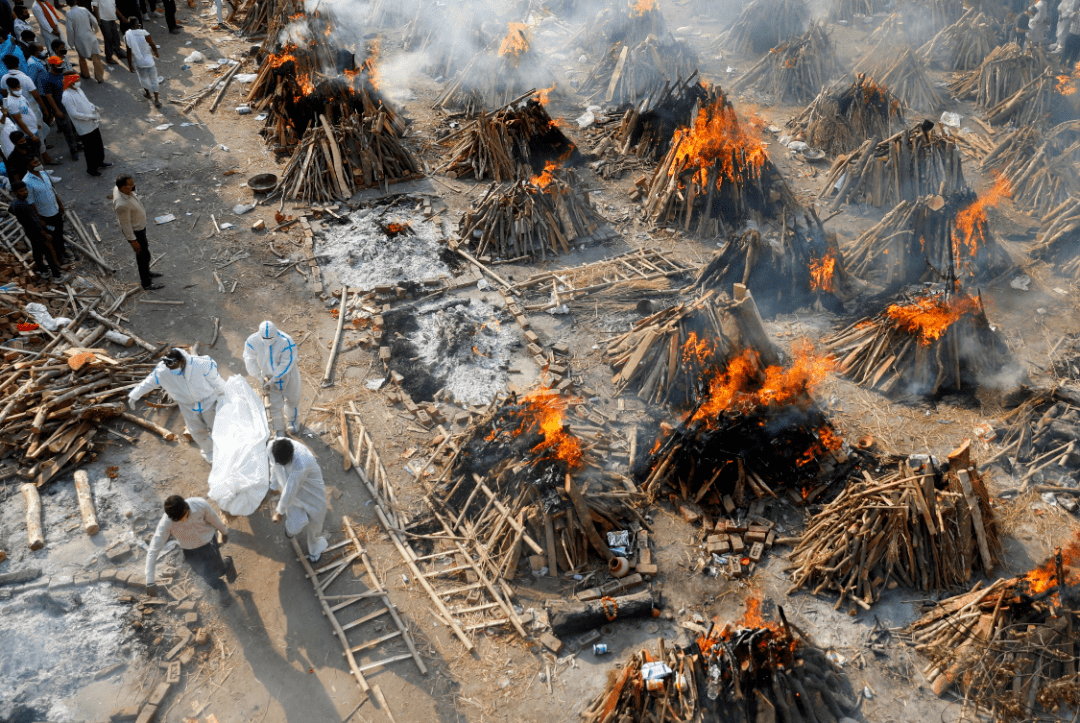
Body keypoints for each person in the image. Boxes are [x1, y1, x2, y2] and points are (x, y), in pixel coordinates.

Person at [129, 348, 226, 462]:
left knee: (218, 426)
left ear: (182, 360)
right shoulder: (162, 371)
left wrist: (224, 392)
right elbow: (148, 383)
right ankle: (209, 451)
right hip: (187, 405)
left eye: (175, 367)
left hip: (208, 401)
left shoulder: (199, 364)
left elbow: (215, 379)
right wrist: (134, 395)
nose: (173, 370)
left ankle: (226, 449)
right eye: (170, 368)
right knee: (196, 430)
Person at [145, 495, 234, 607]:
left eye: (185, 515)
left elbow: (214, 518)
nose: (183, 520)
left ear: (187, 507)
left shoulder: (200, 505)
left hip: (208, 543)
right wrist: (150, 581)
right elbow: (153, 550)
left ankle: (227, 564)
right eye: (178, 519)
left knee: (218, 569)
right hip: (190, 550)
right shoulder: (166, 523)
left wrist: (224, 532)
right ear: (171, 517)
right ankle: (222, 587)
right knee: (204, 574)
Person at [268, 437, 328, 562]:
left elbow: (291, 489)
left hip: (311, 491)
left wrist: (279, 511)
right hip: (290, 493)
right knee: (295, 525)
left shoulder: (301, 462)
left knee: (316, 521)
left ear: (292, 455)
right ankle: (290, 530)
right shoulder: (272, 448)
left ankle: (315, 547)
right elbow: (273, 466)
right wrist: (273, 485)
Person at [243, 321, 301, 434]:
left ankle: (293, 422)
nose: (268, 341)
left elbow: (287, 362)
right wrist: (258, 376)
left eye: (271, 338)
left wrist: (275, 377)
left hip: (288, 374)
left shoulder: (286, 341)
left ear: (276, 333)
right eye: (265, 338)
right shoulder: (252, 341)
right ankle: (279, 429)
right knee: (274, 405)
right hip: (267, 376)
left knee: (293, 399)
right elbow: (249, 359)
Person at [113, 173, 163, 289]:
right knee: (143, 257)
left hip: (140, 228)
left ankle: (147, 272)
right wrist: (133, 241)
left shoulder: (119, 189)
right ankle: (146, 283)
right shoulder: (121, 205)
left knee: (145, 254)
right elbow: (125, 225)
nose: (134, 185)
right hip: (136, 232)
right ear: (124, 188)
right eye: (131, 185)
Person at [10, 179, 64, 281]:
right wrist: (45, 234)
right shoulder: (24, 205)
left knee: (37, 251)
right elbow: (34, 222)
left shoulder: (14, 203)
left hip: (29, 232)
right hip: (37, 233)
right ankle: (57, 276)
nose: (25, 192)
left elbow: (10, 210)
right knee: (48, 253)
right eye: (21, 191)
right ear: (15, 192)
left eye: (25, 190)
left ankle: (43, 271)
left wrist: (21, 219)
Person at [22, 155, 70, 265]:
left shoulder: (43, 173)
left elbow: (52, 190)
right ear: (28, 166)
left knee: (59, 232)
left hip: (55, 209)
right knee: (52, 237)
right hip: (45, 215)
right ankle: (58, 257)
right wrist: (40, 220)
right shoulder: (27, 182)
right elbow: (31, 203)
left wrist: (60, 204)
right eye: (35, 163)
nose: (38, 164)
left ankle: (62, 251)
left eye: (38, 161)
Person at [61, 73, 109, 174]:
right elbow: (74, 114)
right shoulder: (67, 96)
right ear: (70, 83)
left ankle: (100, 162)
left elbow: (86, 102)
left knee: (98, 145)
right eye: (76, 81)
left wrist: (93, 107)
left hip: (93, 123)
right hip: (84, 127)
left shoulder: (78, 90)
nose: (78, 83)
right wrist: (91, 117)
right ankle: (91, 169)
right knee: (90, 149)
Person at [5, 76, 55, 163]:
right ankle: (40, 174)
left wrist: (36, 123)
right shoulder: (11, 102)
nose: (18, 89)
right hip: (28, 134)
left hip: (33, 129)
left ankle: (43, 172)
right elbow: (19, 121)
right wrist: (31, 135)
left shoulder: (20, 97)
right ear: (9, 88)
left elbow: (28, 111)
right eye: (15, 88)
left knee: (37, 153)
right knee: (34, 157)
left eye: (18, 86)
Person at [42, 55, 78, 159]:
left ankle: (78, 144)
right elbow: (49, 96)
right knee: (68, 131)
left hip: (71, 105)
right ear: (52, 65)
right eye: (58, 64)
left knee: (75, 127)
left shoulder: (62, 74)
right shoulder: (47, 79)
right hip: (61, 108)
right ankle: (73, 151)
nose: (61, 66)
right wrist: (57, 111)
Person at [64, 0, 103, 83]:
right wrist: (95, 31)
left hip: (79, 39)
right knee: (96, 57)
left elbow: (70, 30)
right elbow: (95, 21)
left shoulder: (69, 14)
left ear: (67, 3)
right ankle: (99, 77)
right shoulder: (84, 9)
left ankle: (85, 74)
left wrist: (70, 43)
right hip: (90, 36)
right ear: (76, 1)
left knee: (82, 58)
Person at [123, 17, 158, 106]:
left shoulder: (128, 35)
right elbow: (152, 44)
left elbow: (129, 51)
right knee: (154, 80)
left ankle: (148, 94)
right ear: (138, 25)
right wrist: (156, 52)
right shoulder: (144, 33)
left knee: (143, 79)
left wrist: (130, 64)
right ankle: (157, 100)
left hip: (139, 62)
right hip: (149, 61)